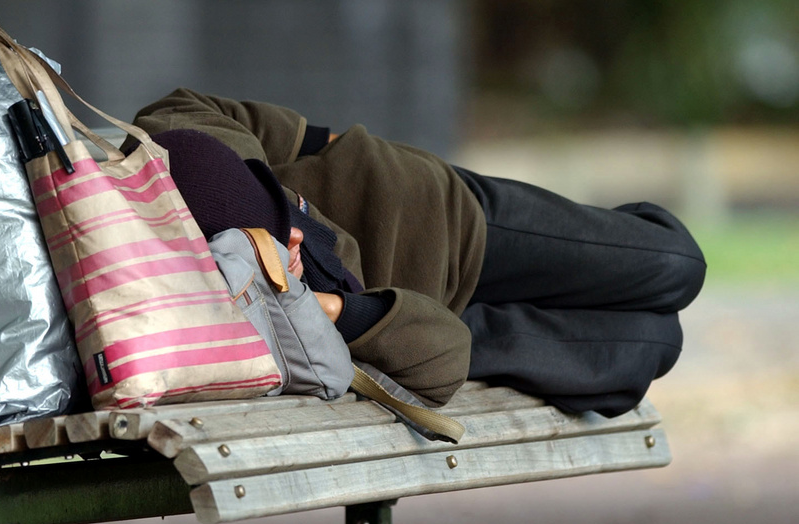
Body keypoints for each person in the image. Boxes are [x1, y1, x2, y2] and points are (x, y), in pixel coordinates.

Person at [128, 88, 706, 416]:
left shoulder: (181, 166)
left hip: (449, 216)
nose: (296, 243)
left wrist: (331, 148)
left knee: (676, 263)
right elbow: (447, 351)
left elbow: (182, 109)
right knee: (650, 345)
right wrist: (332, 311)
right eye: (281, 257)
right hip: (432, 318)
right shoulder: (272, 314)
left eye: (287, 229)